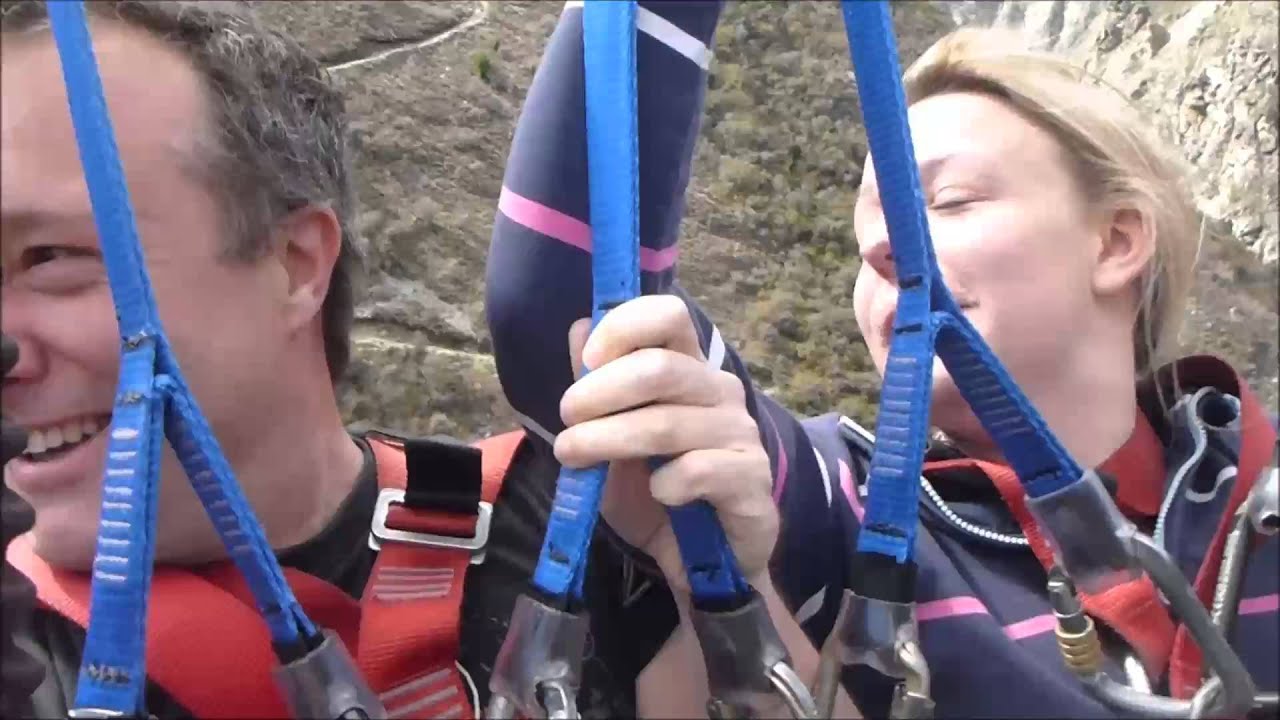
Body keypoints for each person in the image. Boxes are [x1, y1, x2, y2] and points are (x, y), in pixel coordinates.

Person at [484, 2, 1278, 717]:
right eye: (863, 236)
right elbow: (576, 304)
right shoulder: (843, 508)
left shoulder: (1260, 502)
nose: (881, 246)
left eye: (951, 201)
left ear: (1116, 242)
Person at [0, 1, 783, 717]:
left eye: (48, 258)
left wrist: (716, 592)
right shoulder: (20, 651)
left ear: (294, 264)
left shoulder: (584, 530)